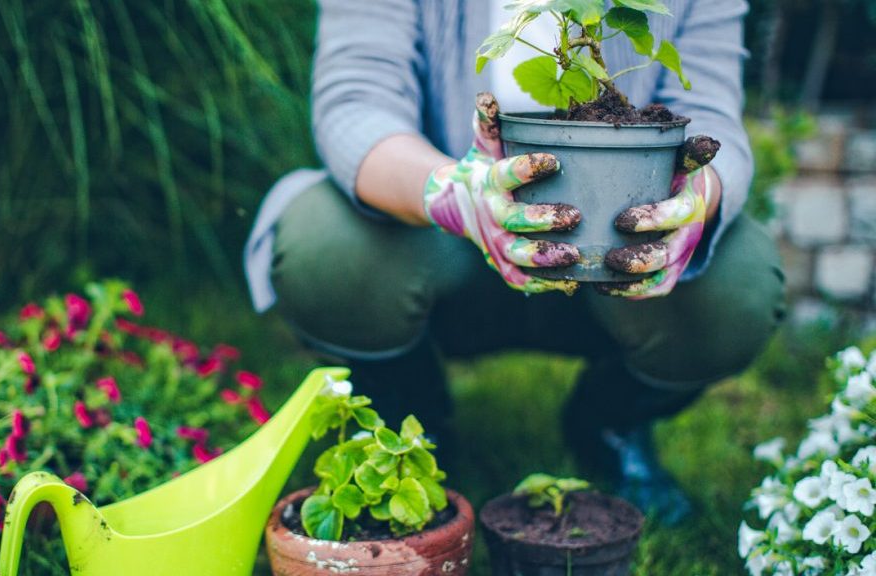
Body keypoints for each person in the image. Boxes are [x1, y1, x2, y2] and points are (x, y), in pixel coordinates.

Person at [243, 0, 785, 524]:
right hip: (435, 239)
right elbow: (356, 103)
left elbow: (710, 110)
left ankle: (611, 420)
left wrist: (698, 197)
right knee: (325, 245)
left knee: (738, 286)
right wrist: (453, 195)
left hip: (615, 245)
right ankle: (411, 411)